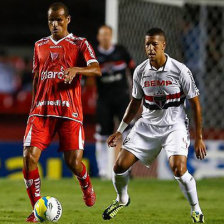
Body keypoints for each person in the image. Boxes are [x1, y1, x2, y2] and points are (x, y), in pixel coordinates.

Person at [102, 28, 206, 223]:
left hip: (174, 125)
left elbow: (196, 105)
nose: (150, 48)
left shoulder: (180, 70)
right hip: (147, 124)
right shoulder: (140, 71)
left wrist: (199, 138)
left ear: (163, 45)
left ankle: (196, 210)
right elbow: (134, 104)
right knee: (119, 166)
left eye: (154, 44)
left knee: (179, 169)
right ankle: (122, 199)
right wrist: (120, 131)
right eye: (147, 44)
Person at [23, 2, 101, 222]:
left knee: (73, 163)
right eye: (51, 20)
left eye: (59, 19)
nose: (54, 24)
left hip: (69, 112)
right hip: (41, 111)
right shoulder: (39, 45)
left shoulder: (79, 43)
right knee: (29, 157)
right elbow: (37, 78)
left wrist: (77, 69)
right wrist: (32, 108)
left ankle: (86, 183)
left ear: (68, 19)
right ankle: (37, 209)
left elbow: (96, 69)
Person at [94, 25, 135, 179]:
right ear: (98, 37)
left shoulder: (121, 51)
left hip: (122, 98)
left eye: (107, 35)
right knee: (102, 134)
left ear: (111, 36)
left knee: (129, 132)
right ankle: (103, 171)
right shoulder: (94, 55)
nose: (105, 37)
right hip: (104, 99)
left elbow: (132, 70)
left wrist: (137, 92)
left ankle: (126, 168)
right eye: (102, 35)